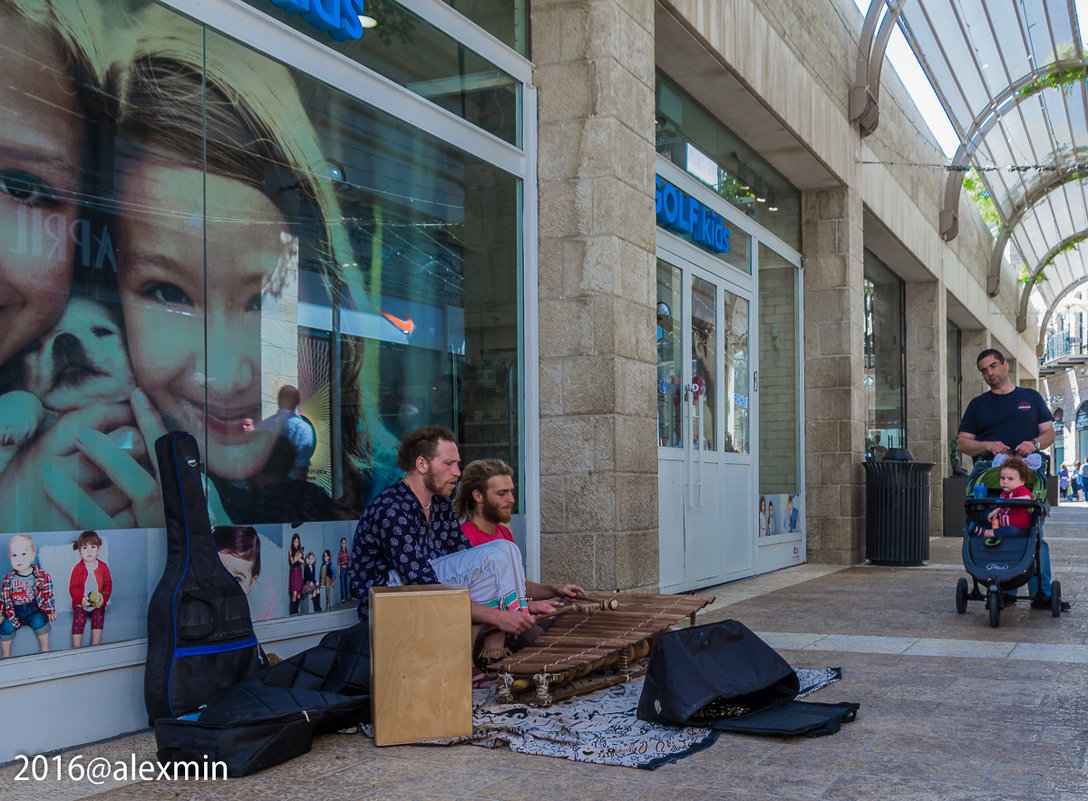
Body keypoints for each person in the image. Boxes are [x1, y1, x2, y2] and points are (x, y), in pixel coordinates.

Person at [42, 8, 399, 532]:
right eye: (167, 292)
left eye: (264, 301)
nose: (227, 375)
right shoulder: (58, 482)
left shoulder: (383, 492)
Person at [348, 426, 540, 647]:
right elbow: (422, 583)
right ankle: (501, 637)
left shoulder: (440, 504)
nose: (457, 472)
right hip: (386, 600)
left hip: (426, 588)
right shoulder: (391, 509)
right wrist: (498, 617)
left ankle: (483, 649)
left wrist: (519, 601)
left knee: (504, 549)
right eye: (449, 463)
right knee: (495, 556)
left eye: (457, 464)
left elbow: (466, 556)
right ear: (422, 465)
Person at [957, 348, 1065, 609]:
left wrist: (1035, 444)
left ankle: (1043, 594)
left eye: (993, 366)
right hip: (990, 476)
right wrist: (987, 445)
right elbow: (963, 443)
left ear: (1005, 365)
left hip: (1026, 477)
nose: (989, 373)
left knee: (1033, 531)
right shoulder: (978, 405)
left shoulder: (1030, 397)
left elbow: (1049, 433)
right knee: (994, 527)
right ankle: (1002, 586)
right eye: (984, 370)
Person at [454, 458, 585, 665]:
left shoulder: (503, 533)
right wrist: (525, 607)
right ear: (478, 496)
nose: (511, 499)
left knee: (569, 611)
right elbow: (467, 602)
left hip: (511, 617)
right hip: (485, 631)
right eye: (502, 493)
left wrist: (555, 589)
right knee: (534, 635)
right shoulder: (463, 539)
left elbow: (516, 585)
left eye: (511, 491)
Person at [0, 534, 55, 656]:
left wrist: (50, 610)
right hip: (15, 611)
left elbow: (47, 593)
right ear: (10, 557)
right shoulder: (9, 579)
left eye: (23, 554)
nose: (19, 559)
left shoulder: (40, 576)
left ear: (32, 556)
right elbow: (3, 598)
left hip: (34, 609)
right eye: (14, 555)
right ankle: (6, 656)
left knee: (40, 621)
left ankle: (45, 651)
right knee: (5, 626)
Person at [214, 525, 275, 621]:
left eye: (237, 579)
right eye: (219, 573)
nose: (225, 586)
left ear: (250, 584)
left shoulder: (257, 615)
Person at [69, 530, 111, 648]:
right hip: (81, 603)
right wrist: (81, 599)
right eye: (84, 548)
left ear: (99, 549)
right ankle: (76, 648)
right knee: (79, 619)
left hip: (97, 603)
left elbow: (108, 585)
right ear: (79, 551)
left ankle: (95, 646)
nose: (89, 551)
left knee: (98, 617)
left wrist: (103, 598)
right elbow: (73, 588)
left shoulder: (103, 567)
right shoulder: (78, 568)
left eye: (92, 547)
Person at [288, 532, 304, 615]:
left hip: (299, 571)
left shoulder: (300, 550)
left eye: (297, 541)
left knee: (298, 593)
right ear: (292, 542)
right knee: (294, 592)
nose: (296, 543)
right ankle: (293, 611)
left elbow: (303, 561)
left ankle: (296, 611)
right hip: (293, 571)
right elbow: (292, 562)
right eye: (295, 541)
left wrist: (301, 559)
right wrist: (296, 558)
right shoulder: (291, 550)